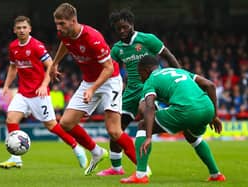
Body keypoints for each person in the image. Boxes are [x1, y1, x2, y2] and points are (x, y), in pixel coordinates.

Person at [51, 3, 136, 175]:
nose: (58, 28)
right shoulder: (65, 34)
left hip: (109, 80)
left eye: (62, 24)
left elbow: (109, 68)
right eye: (57, 24)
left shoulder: (92, 37)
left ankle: (143, 169)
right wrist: (55, 63)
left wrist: (92, 89)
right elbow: (65, 43)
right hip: (89, 81)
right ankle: (97, 152)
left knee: (114, 131)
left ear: (73, 21)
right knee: (66, 123)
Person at [97, 9, 181, 176]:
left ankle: (142, 168)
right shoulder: (117, 49)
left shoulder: (147, 39)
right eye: (118, 28)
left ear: (132, 24)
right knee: (116, 129)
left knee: (145, 118)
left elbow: (168, 55)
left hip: (148, 87)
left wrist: (180, 74)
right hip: (129, 92)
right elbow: (110, 71)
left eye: (125, 27)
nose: (122, 31)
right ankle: (116, 168)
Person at [120, 55, 226, 183]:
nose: (140, 78)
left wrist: (148, 136)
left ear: (145, 71)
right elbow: (210, 85)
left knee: (142, 125)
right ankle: (216, 174)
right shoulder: (179, 71)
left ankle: (141, 175)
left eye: (140, 74)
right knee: (191, 135)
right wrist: (214, 116)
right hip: (207, 108)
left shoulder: (151, 80)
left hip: (185, 111)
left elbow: (148, 107)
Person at [0, 16, 87, 169]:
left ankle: (77, 148)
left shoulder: (36, 46)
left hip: (39, 94)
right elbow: (13, 68)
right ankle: (16, 158)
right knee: (11, 119)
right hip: (23, 93)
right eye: (18, 28)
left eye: (24, 27)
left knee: (52, 126)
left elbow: (50, 66)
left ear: (29, 29)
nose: (21, 30)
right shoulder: (13, 47)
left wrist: (44, 85)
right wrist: (6, 85)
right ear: (14, 30)